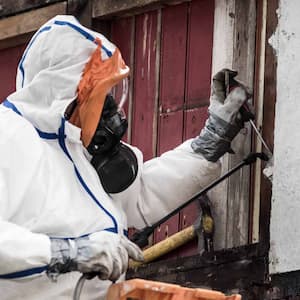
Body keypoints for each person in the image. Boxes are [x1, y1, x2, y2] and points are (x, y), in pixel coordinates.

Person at [0, 15, 251, 300]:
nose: (113, 111)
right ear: (65, 92)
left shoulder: (77, 150)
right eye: (102, 96)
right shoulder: (9, 137)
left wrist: (210, 142)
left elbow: (142, 193)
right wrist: (69, 253)